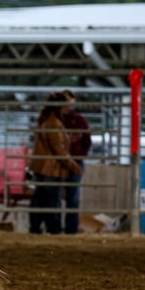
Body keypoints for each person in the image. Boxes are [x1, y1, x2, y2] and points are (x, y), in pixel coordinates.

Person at [28, 91, 83, 235]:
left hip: (43, 167)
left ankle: (36, 227)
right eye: (65, 105)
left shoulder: (47, 120)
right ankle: (54, 229)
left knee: (40, 199)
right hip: (51, 169)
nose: (68, 108)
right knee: (51, 201)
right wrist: (74, 166)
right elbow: (59, 150)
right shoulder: (53, 123)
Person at [60, 89, 92, 234]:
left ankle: (70, 229)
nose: (68, 106)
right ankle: (56, 228)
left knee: (71, 198)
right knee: (56, 197)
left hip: (72, 162)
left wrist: (80, 156)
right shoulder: (56, 119)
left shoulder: (78, 120)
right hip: (60, 162)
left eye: (70, 103)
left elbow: (87, 141)